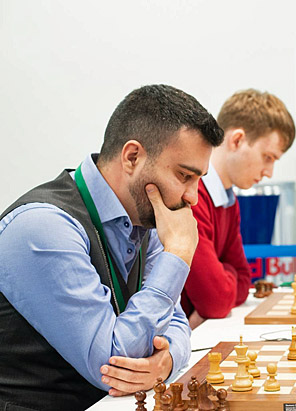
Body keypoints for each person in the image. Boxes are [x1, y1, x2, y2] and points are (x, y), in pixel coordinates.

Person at [0, 84, 224, 410]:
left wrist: (166, 362)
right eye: (184, 176)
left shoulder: (145, 216)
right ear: (132, 157)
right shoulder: (43, 228)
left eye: (198, 179)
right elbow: (112, 363)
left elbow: (173, 320)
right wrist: (178, 255)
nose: (192, 197)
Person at [181, 89, 295, 328]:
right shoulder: (192, 197)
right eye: (268, 157)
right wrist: (223, 283)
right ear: (237, 140)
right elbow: (214, 301)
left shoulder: (228, 200)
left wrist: (224, 281)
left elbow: (245, 279)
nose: (269, 172)